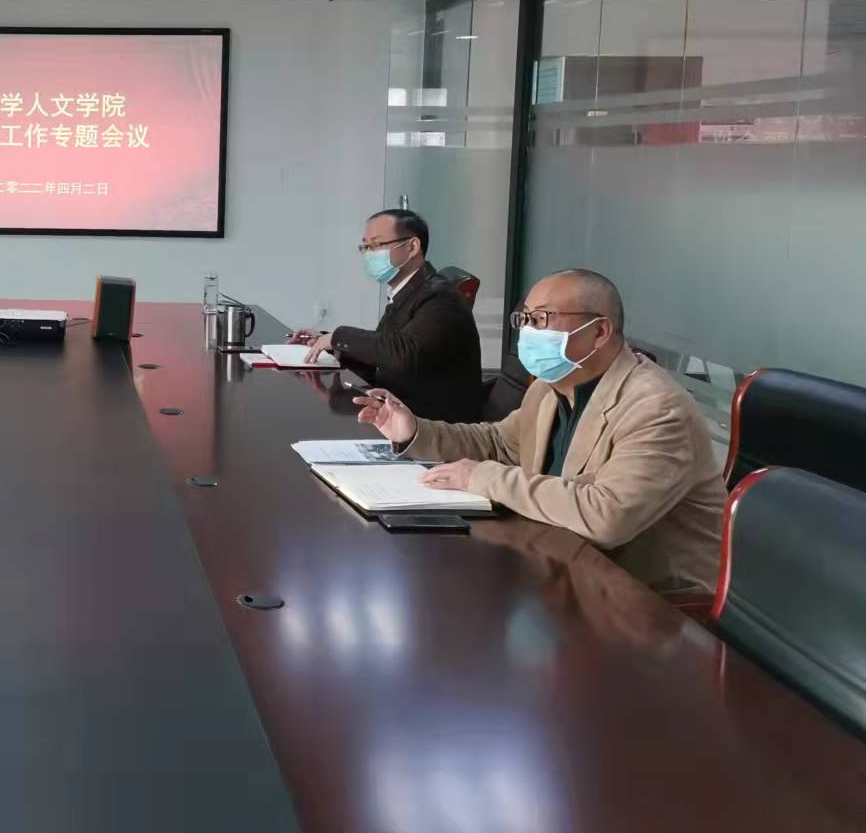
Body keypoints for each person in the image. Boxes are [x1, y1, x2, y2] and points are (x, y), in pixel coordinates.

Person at [356, 268, 725, 598]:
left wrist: (481, 477)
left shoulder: (657, 407)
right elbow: (500, 444)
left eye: (542, 319)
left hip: (648, 604)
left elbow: (608, 516)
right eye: (525, 319)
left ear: (599, 332)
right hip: (561, 569)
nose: (528, 332)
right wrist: (416, 431)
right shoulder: (551, 387)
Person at [293, 209, 482, 421]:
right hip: (400, 408)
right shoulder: (408, 292)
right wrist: (328, 343)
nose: (369, 254)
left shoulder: (441, 297)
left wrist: (339, 337)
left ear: (412, 247)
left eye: (376, 245)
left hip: (432, 423)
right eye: (365, 247)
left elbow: (406, 353)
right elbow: (384, 351)